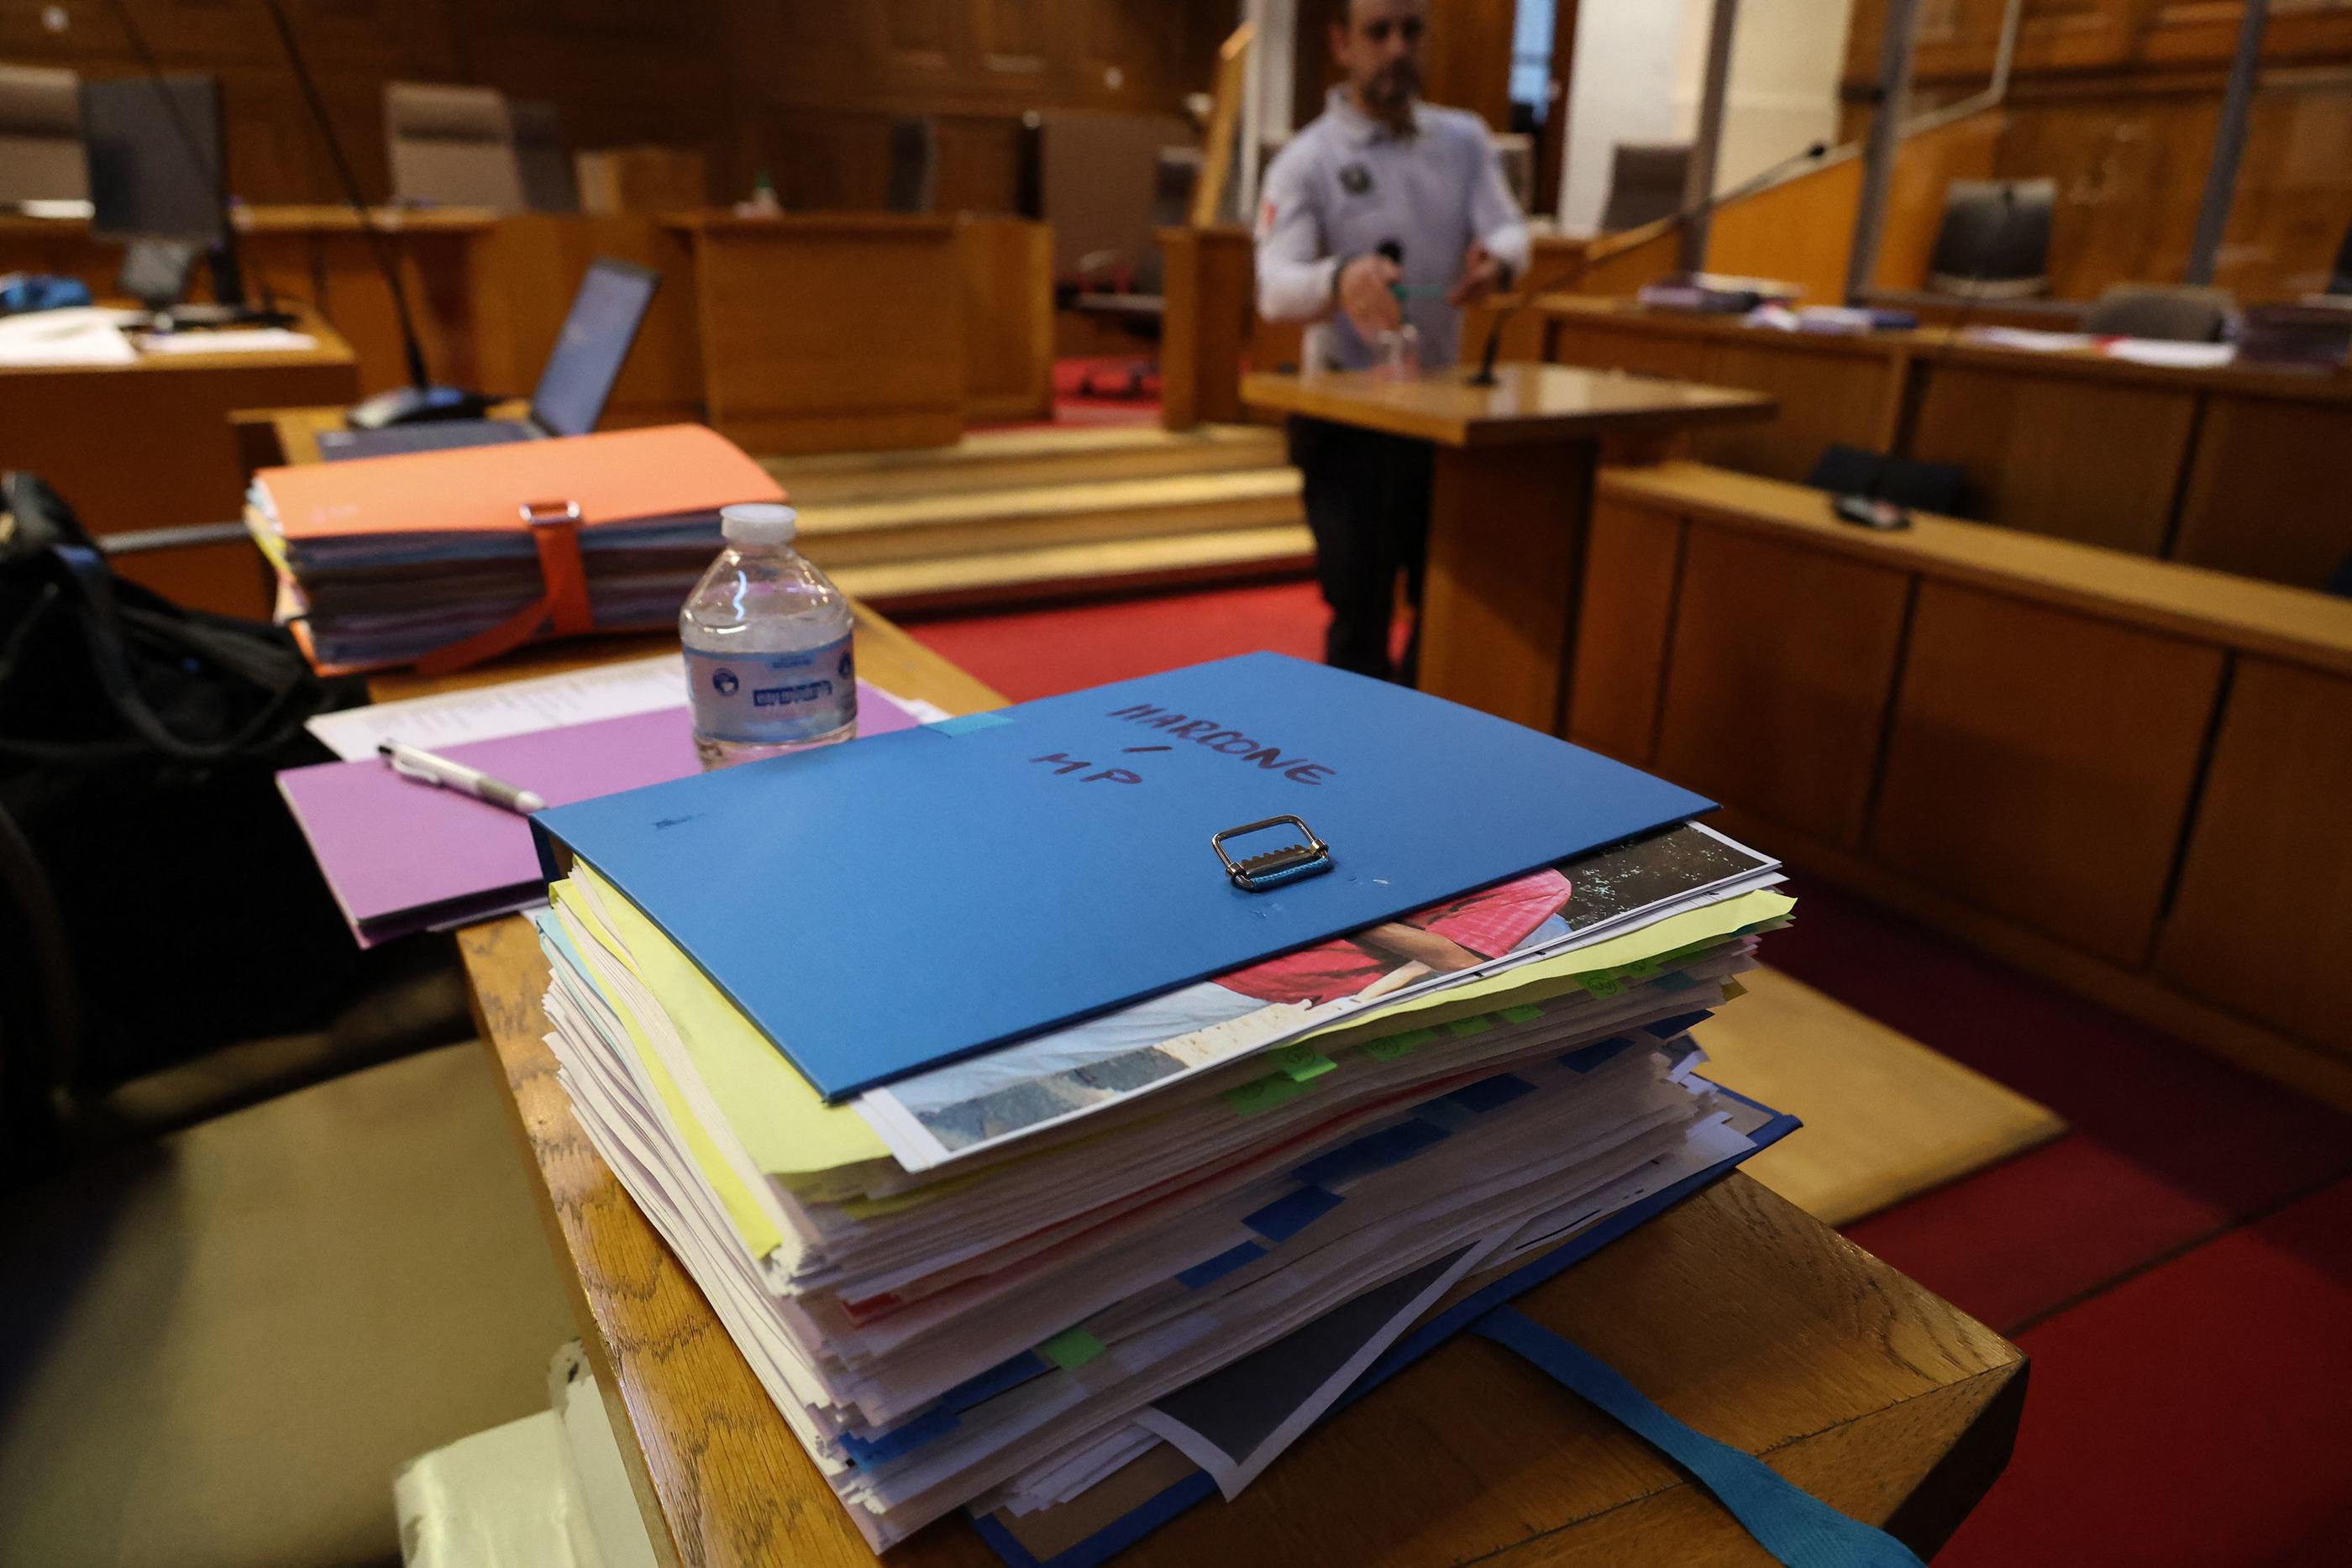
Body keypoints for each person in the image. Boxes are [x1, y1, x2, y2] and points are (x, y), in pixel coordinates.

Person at [1256, 0, 1533, 681]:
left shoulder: (1463, 140)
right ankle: (1349, 775)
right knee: (1361, 614)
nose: (1397, 48)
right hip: (1349, 424)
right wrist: (1339, 277)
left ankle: (1421, 765)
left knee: (1447, 611)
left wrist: (1497, 259)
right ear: (1341, 44)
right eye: (1378, 32)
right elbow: (1274, 289)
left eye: (1412, 31)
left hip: (1443, 419)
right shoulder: (1306, 160)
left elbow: (1511, 229)